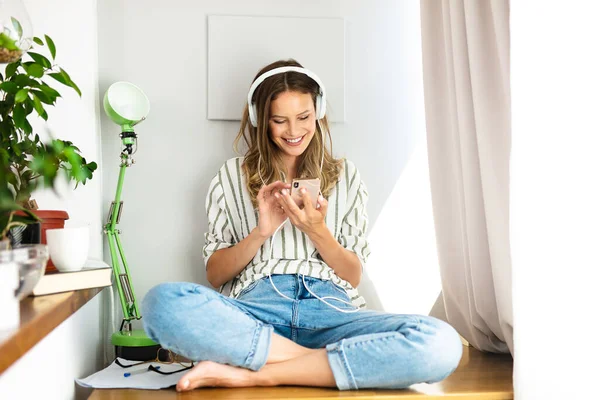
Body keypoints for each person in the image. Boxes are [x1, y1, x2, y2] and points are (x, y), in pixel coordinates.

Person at [142, 59, 462, 392]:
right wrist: (261, 232)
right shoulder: (230, 175)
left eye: (304, 118)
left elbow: (352, 275)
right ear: (259, 120)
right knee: (160, 304)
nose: (293, 132)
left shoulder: (346, 175)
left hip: (333, 313)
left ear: (319, 111)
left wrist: (316, 229)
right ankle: (319, 362)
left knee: (441, 343)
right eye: (279, 120)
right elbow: (215, 275)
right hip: (257, 311)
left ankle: (266, 371)